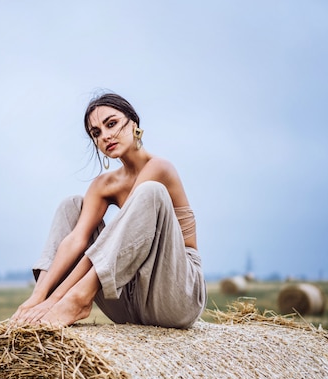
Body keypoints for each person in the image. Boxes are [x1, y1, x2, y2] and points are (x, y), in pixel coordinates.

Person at [11, 92, 206, 329]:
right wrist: (41, 297)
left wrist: (60, 298)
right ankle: (40, 300)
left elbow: (109, 239)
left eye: (111, 124)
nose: (105, 136)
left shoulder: (159, 168)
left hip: (176, 292)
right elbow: (76, 240)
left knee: (151, 192)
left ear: (134, 123)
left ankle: (78, 299)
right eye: (96, 133)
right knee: (71, 205)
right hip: (130, 301)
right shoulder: (104, 185)